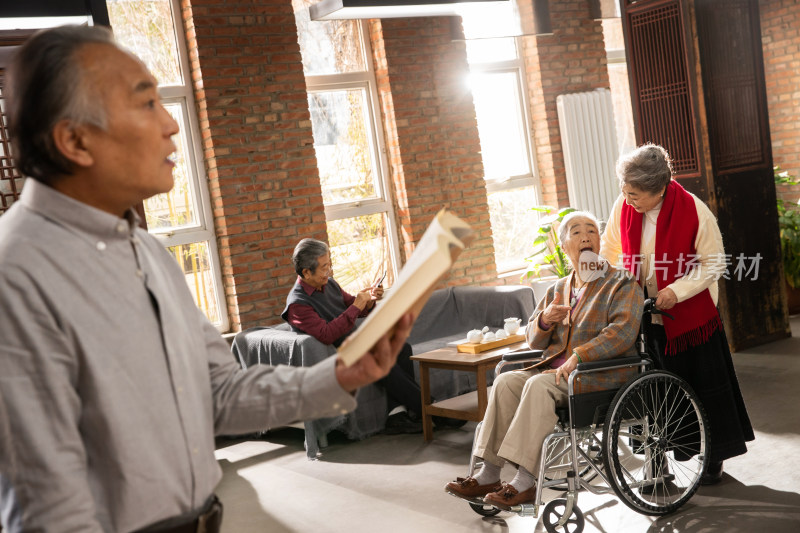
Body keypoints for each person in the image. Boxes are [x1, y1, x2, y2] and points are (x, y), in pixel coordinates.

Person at [0, 25, 414, 533]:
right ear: (75, 139)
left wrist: (342, 376)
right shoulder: (15, 275)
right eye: (147, 103)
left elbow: (219, 391)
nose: (173, 124)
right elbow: (49, 507)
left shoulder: (147, 252)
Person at [445, 211, 643, 506]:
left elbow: (623, 332)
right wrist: (545, 321)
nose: (586, 236)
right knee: (507, 381)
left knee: (538, 386)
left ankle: (524, 482)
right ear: (564, 245)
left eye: (592, 231)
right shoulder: (558, 288)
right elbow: (533, 339)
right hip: (555, 372)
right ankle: (489, 472)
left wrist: (579, 355)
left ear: (600, 241)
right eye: (576, 232)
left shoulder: (620, 282)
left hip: (596, 374)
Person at [600, 143, 754, 485]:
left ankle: (713, 455)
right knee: (651, 392)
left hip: (689, 318)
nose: (628, 201)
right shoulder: (623, 207)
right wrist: (618, 284)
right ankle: (657, 458)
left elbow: (713, 263)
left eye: (635, 194)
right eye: (624, 192)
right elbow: (610, 250)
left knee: (701, 387)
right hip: (643, 312)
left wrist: (675, 291)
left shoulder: (694, 210)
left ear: (659, 190)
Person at [282, 238, 455, 434]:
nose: (329, 271)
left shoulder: (329, 284)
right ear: (306, 272)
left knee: (401, 348)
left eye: (329, 265)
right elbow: (326, 334)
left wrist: (370, 300)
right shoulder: (297, 304)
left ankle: (397, 416)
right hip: (336, 357)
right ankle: (433, 411)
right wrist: (356, 306)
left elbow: (353, 306)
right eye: (324, 267)